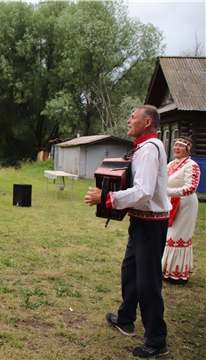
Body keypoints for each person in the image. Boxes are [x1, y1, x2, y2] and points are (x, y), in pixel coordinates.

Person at [84, 105, 170, 358]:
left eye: (132, 117)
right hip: (141, 221)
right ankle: (126, 318)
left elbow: (143, 191)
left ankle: (156, 340)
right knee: (130, 272)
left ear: (147, 122)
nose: (128, 120)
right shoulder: (143, 148)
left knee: (147, 282)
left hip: (151, 224)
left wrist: (107, 198)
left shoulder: (149, 150)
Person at [162, 136, 201, 284]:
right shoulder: (171, 164)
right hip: (171, 202)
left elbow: (191, 188)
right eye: (175, 145)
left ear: (188, 149)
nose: (176, 148)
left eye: (181, 146)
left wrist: (168, 191)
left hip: (185, 204)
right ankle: (166, 269)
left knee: (179, 236)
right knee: (168, 234)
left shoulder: (192, 165)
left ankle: (177, 273)